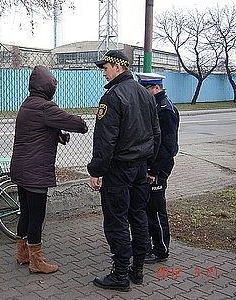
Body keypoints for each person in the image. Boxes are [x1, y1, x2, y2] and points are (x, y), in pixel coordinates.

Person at [88, 50, 161, 291]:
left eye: (106, 66)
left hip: (119, 170)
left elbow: (105, 140)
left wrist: (96, 170)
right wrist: (150, 164)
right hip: (140, 168)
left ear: (119, 67)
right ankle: (137, 269)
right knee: (138, 215)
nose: (103, 71)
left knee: (117, 220)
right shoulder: (145, 93)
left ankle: (120, 275)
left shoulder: (113, 96)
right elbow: (155, 133)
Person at [10, 65, 88, 274]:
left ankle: (22, 254)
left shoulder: (28, 104)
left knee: (26, 212)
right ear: (48, 86)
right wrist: (82, 123)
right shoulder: (45, 107)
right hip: (36, 172)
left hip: (22, 169)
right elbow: (77, 123)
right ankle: (36, 262)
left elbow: (36, 131)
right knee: (37, 216)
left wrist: (57, 134)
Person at [136, 73, 180, 264]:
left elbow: (168, 146)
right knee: (145, 207)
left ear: (155, 88)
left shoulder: (165, 110)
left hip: (157, 167)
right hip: (149, 165)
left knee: (155, 208)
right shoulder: (153, 105)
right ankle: (145, 246)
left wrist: (154, 171)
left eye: (144, 89)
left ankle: (161, 249)